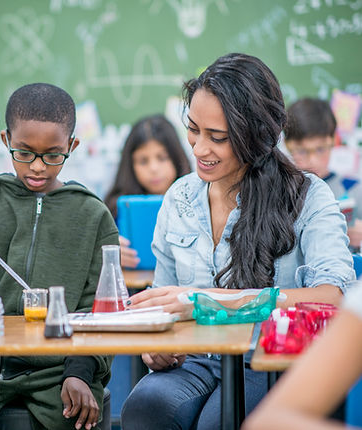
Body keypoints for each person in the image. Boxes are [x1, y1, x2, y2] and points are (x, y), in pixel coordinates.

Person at [120, 53, 354, 430]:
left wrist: (211, 302)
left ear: (258, 136)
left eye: (218, 138)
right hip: (196, 359)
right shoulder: (179, 198)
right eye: (193, 129)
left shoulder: (308, 196)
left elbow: (333, 297)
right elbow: (165, 299)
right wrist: (157, 345)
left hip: (266, 358)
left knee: (222, 421)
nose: (197, 149)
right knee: (144, 408)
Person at [0, 83, 118, 430]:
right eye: (24, 152)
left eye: (52, 155)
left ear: (72, 147)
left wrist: (80, 372)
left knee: (71, 413)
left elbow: (101, 312)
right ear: (6, 140)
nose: (37, 167)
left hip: (59, 371)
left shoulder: (93, 216)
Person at [242, 284, 362, 430]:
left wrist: (239, 299)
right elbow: (268, 421)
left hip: (256, 367)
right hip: (222, 361)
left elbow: (332, 297)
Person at [103, 114, 191, 268]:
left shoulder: (198, 201)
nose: (153, 168)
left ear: (177, 159)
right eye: (143, 161)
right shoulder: (114, 211)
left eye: (162, 157)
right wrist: (107, 251)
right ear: (130, 165)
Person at [285, 97, 362, 249]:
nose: (313, 160)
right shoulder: (281, 190)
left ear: (334, 140)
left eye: (320, 149)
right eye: (301, 150)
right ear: (287, 144)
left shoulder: (353, 189)